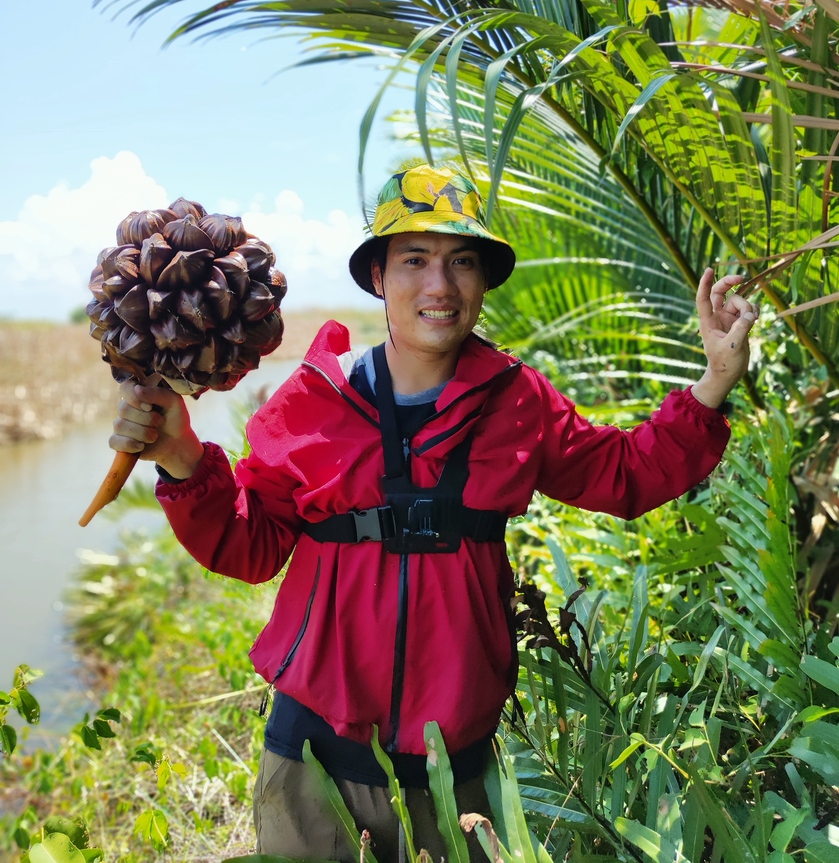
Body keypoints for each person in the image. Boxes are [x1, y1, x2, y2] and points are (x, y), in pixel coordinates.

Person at [110, 164, 757, 862]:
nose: (440, 286)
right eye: (415, 260)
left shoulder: (518, 401)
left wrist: (715, 380)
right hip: (313, 760)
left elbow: (625, 475)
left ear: (482, 281)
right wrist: (181, 457)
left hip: (456, 773)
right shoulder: (312, 399)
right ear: (379, 277)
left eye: (463, 262)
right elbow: (249, 546)